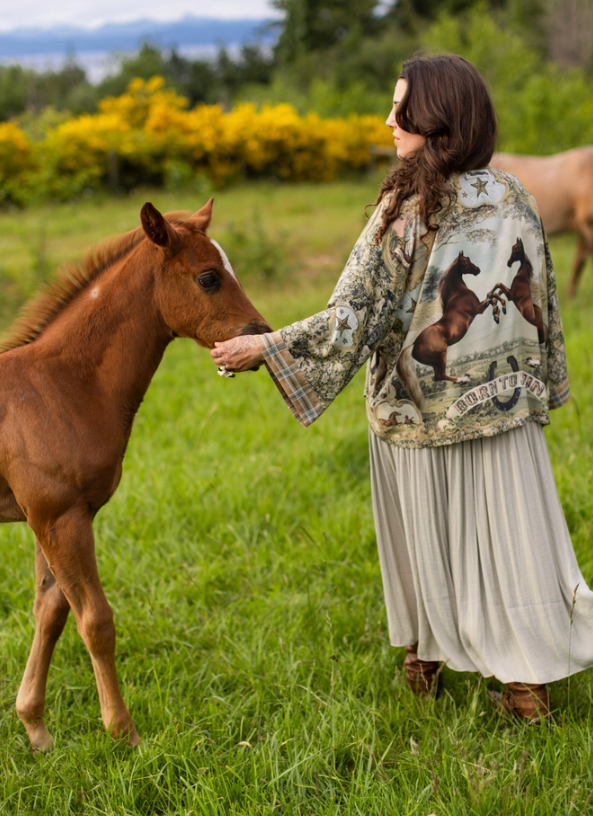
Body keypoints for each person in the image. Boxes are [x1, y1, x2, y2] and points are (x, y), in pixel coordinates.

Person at [211, 54, 593, 722]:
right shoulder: (515, 197)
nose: (387, 121)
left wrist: (265, 348)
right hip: (503, 410)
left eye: (400, 110)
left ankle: (426, 652)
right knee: (514, 543)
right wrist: (543, 385)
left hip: (417, 415)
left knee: (425, 541)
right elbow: (542, 306)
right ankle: (523, 684)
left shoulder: (404, 207)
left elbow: (351, 317)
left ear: (437, 117)